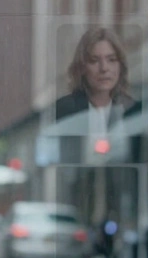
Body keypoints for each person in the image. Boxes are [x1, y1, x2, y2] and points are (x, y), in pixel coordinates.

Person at [53, 26, 142, 164]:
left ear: (120, 66)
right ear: (82, 67)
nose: (104, 68)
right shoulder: (63, 110)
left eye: (111, 59)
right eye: (94, 61)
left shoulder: (134, 110)